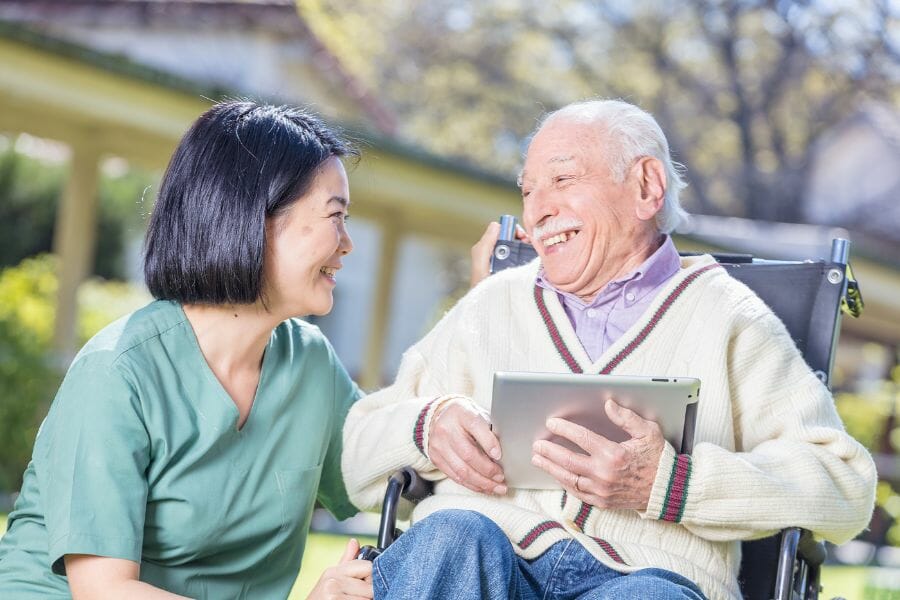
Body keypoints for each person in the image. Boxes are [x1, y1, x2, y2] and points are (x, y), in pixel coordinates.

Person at [341, 99, 877, 600]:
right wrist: (426, 427)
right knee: (449, 535)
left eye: (563, 180)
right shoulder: (492, 304)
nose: (539, 211)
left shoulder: (731, 319)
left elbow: (844, 486)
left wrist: (674, 485)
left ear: (647, 186)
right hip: (482, 560)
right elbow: (358, 457)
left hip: (648, 575)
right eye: (528, 191)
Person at [0, 101, 373, 599]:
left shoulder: (309, 364)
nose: (347, 243)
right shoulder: (118, 372)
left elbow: (392, 470)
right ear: (254, 219)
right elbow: (104, 591)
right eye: (335, 216)